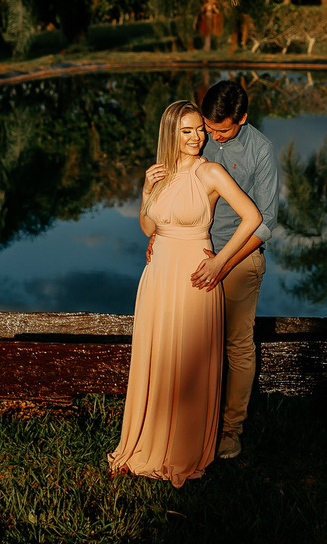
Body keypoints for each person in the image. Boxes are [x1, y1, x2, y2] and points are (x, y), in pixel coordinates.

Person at [108, 100, 262, 488]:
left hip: (195, 273)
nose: (197, 138)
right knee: (159, 357)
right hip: (159, 275)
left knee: (188, 358)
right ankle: (148, 439)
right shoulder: (159, 173)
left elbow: (253, 217)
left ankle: (184, 446)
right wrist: (145, 189)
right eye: (187, 131)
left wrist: (220, 262)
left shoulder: (210, 171)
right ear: (171, 133)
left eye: (199, 130)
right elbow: (148, 227)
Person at [192, 80, 279, 461]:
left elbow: (265, 224)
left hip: (240, 256)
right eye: (209, 127)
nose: (211, 135)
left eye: (221, 129)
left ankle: (230, 430)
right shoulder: (196, 133)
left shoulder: (261, 150)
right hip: (194, 251)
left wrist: (222, 261)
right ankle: (192, 423)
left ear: (242, 118)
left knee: (237, 345)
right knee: (191, 341)